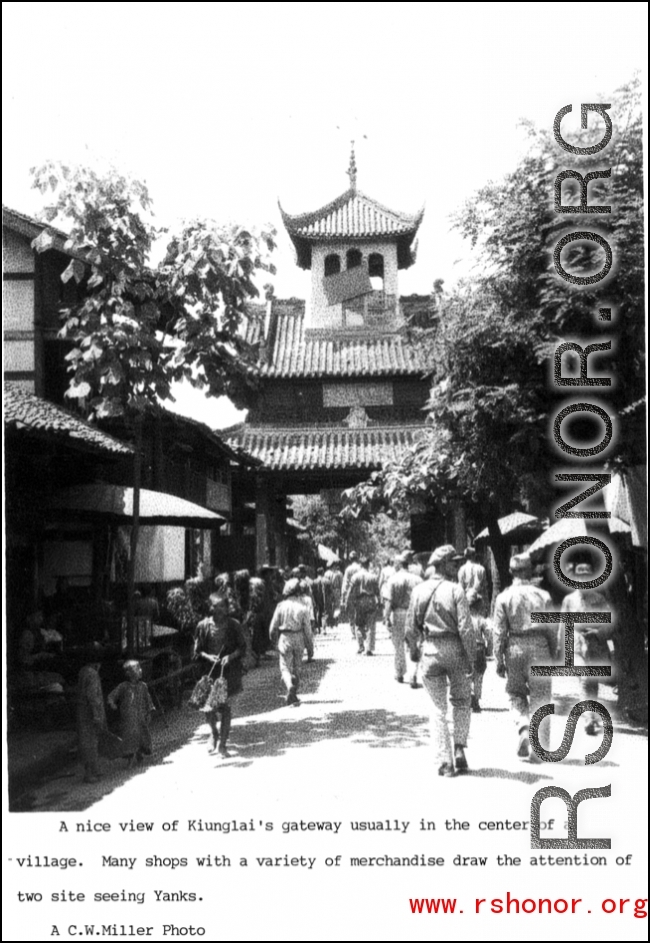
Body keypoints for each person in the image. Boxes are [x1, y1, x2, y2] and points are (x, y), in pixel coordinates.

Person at [405, 544, 474, 777]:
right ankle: (460, 748)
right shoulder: (456, 590)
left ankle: (444, 761)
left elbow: (410, 628)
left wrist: (414, 652)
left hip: (431, 649)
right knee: (462, 701)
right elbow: (466, 628)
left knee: (437, 708)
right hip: (455, 649)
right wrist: (471, 657)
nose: (456, 566)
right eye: (453, 563)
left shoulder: (418, 591)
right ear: (443, 564)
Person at [493, 553, 556, 761]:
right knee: (541, 696)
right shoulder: (543, 596)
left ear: (511, 572)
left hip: (515, 647)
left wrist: (499, 659)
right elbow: (552, 629)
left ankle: (522, 727)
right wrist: (554, 653)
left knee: (515, 693)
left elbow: (499, 632)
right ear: (530, 571)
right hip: (540, 646)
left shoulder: (503, 597)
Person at [560, 561, 613, 736]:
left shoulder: (599, 599)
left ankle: (592, 713)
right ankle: (589, 718)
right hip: (576, 643)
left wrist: (597, 631)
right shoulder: (569, 600)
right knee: (584, 679)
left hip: (596, 644)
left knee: (593, 682)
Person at [193, 594, 247, 757]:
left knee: (225, 708)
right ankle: (214, 733)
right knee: (208, 709)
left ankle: (222, 744)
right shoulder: (203, 626)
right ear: (210, 608)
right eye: (216, 606)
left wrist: (229, 657)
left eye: (223, 606)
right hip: (209, 673)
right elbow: (197, 651)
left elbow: (242, 647)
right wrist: (208, 657)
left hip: (228, 673)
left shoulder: (233, 626)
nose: (220, 610)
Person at [269, 578, 314, 706]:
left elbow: (273, 627)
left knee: (284, 666)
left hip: (285, 637)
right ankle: (294, 694)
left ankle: (289, 687)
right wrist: (310, 647)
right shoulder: (303, 608)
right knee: (297, 667)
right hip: (299, 636)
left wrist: (273, 640)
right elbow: (308, 630)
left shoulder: (280, 606)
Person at [384, 552, 423, 685]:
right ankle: (413, 674)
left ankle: (399, 672)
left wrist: (386, 617)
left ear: (399, 564)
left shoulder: (393, 579)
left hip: (398, 614)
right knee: (414, 644)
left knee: (398, 645)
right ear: (409, 564)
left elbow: (388, 601)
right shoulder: (418, 580)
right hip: (414, 613)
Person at [107, 660, 155, 767]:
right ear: (129, 673)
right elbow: (112, 696)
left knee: (142, 735)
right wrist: (112, 704)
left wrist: (150, 711)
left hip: (140, 717)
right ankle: (130, 756)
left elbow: (148, 699)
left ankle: (139, 752)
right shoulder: (123, 686)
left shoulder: (143, 686)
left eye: (139, 668)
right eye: (137, 668)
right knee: (130, 737)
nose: (140, 670)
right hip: (128, 718)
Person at [76, 660, 107, 783]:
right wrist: (97, 716)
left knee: (87, 741)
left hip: (82, 711)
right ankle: (89, 773)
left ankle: (94, 769)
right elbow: (93, 697)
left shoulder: (83, 671)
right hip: (89, 713)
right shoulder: (93, 674)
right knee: (91, 742)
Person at [348, 556, 381, 655]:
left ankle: (361, 646)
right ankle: (369, 649)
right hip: (371, 600)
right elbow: (377, 591)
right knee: (371, 625)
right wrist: (379, 601)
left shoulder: (355, 576)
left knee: (359, 624)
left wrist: (347, 601)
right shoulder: (373, 576)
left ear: (360, 565)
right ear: (368, 565)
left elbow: (350, 590)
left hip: (359, 601)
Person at [458, 547, 488, 617]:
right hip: (479, 600)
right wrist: (487, 605)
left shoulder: (461, 569)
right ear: (474, 555)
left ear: (465, 556)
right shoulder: (481, 569)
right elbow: (485, 588)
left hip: (466, 600)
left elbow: (460, 587)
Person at [341, 551, 362, 639]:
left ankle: (353, 632)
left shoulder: (348, 569)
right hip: (360, 592)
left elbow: (345, 583)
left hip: (351, 593)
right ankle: (360, 630)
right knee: (359, 611)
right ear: (357, 558)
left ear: (350, 559)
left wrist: (343, 596)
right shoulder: (361, 568)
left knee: (351, 612)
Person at [322, 560, 343, 630]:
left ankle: (330, 621)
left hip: (328, 591)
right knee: (337, 605)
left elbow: (324, 583)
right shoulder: (339, 573)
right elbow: (341, 584)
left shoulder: (326, 573)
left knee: (329, 606)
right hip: (336, 590)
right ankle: (336, 619)